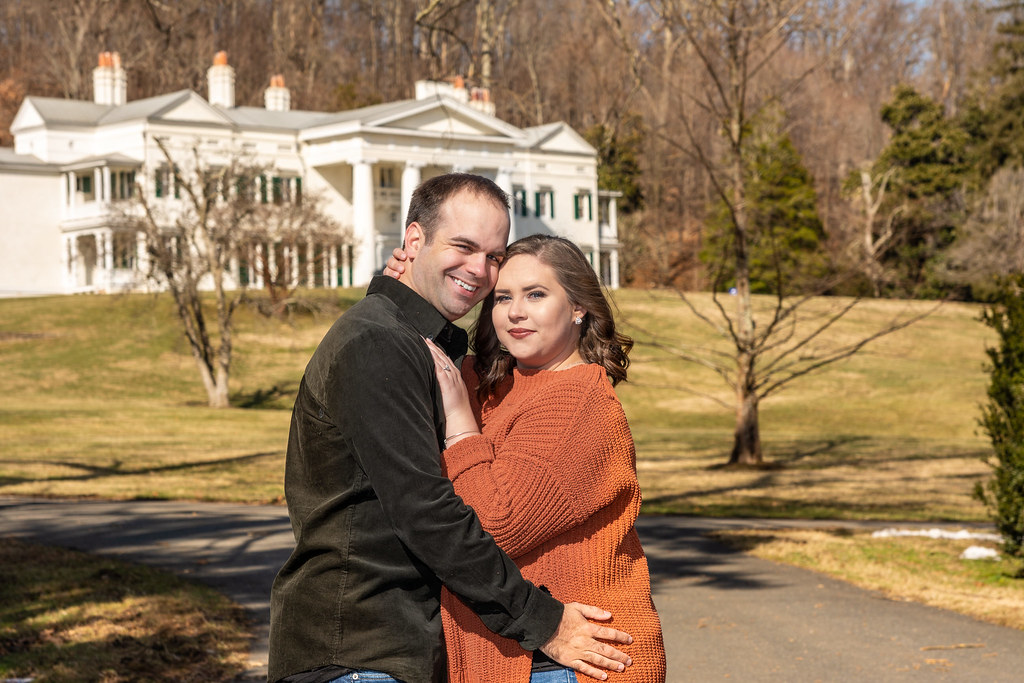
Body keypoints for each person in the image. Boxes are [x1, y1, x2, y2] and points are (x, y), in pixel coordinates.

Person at [268, 173, 634, 683]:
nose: (479, 270)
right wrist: (544, 622)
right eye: (462, 247)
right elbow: (428, 513)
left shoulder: (421, 346)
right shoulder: (379, 344)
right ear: (414, 239)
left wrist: (403, 287)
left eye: (493, 256)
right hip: (360, 649)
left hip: (394, 650)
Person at [388, 234, 667, 682]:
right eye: (502, 298)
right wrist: (405, 284)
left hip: (570, 665)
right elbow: (421, 346)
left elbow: (494, 526)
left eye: (535, 294)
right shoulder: (493, 383)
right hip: (522, 658)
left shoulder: (580, 400)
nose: (515, 311)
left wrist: (460, 426)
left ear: (578, 307)